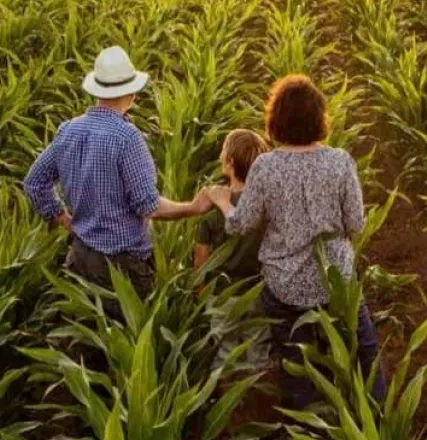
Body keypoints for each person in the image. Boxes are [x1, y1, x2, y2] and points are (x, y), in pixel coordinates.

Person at [204, 75, 387, 409]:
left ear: (276, 121)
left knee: (295, 363)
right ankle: (374, 418)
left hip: (284, 286)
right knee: (365, 350)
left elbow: (241, 224)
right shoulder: (340, 161)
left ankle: (305, 424)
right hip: (336, 282)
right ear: (320, 118)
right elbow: (356, 223)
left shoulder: (266, 167)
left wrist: (222, 202)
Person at [24, 46, 210, 316]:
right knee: (129, 345)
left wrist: (63, 218)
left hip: (79, 256)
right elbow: (150, 206)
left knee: (86, 345)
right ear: (130, 94)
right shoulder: (127, 138)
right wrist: (193, 207)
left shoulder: (69, 130)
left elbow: (33, 183)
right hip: (123, 268)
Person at [195, 128, 271, 366]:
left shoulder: (213, 210)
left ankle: (230, 399)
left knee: (224, 351)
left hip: (222, 296)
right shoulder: (266, 205)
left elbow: (201, 262)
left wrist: (200, 295)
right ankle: (255, 398)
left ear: (228, 162)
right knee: (258, 349)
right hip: (259, 293)